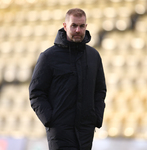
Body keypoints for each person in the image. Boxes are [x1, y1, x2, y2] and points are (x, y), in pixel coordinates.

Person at [29, 8, 107, 150]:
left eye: (81, 26)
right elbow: (36, 93)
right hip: (60, 132)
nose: (78, 30)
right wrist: (51, 120)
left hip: (86, 131)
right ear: (65, 26)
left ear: (86, 26)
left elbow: (100, 90)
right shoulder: (48, 57)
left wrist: (95, 117)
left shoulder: (93, 56)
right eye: (74, 26)